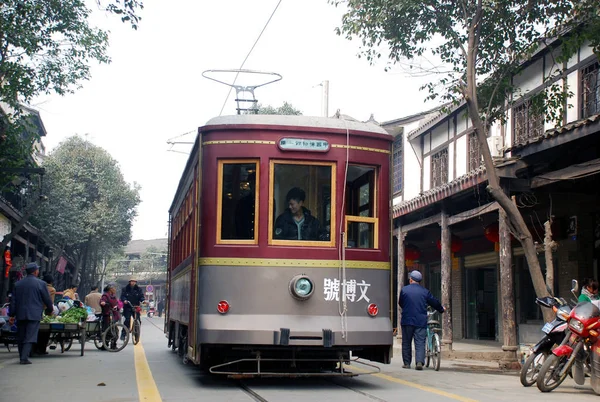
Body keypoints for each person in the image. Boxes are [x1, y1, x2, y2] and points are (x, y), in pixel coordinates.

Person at [398, 270, 445, 371]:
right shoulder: (425, 291)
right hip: (420, 321)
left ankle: (407, 363)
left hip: (407, 320)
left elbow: (400, 303)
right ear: (419, 281)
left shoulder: (404, 290)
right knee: (420, 342)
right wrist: (441, 309)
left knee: (406, 342)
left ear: (411, 279)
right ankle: (419, 362)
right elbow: (434, 302)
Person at [8, 262, 54, 364]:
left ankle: (22, 356)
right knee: (30, 336)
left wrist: (11, 315)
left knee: (21, 335)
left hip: (20, 314)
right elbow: (47, 299)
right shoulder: (41, 284)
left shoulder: (18, 284)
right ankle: (24, 358)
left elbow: (13, 301)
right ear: (35, 271)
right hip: (34, 314)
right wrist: (49, 310)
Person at [35, 274, 56, 355]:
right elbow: (50, 302)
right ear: (51, 282)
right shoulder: (52, 289)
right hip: (46, 312)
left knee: (37, 331)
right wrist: (51, 311)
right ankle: (42, 349)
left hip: (36, 310)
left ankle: (35, 348)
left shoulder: (38, 287)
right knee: (46, 331)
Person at [100, 284, 120, 349]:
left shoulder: (113, 296)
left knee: (115, 331)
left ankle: (113, 344)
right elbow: (102, 301)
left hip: (113, 315)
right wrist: (103, 302)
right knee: (107, 330)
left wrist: (117, 307)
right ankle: (105, 345)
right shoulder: (105, 295)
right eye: (113, 288)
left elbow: (117, 303)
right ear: (110, 289)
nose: (114, 289)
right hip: (107, 315)